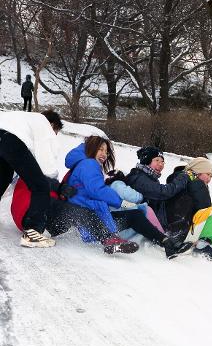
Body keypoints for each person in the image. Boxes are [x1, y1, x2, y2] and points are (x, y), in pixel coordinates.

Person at [65, 136, 192, 258]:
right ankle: (111, 240)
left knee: (135, 215)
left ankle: (166, 243)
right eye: (100, 149)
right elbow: (97, 190)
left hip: (91, 212)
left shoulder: (85, 163)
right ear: (91, 148)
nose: (104, 154)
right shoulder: (89, 164)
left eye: (106, 151)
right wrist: (121, 202)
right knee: (134, 216)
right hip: (86, 213)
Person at [11, 177, 140, 255]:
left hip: (28, 219)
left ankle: (44, 230)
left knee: (72, 216)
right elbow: (40, 180)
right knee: (78, 212)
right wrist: (60, 187)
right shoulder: (33, 168)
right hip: (32, 210)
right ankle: (108, 239)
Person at [0, 109, 62, 247]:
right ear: (52, 125)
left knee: (3, 178)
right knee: (40, 186)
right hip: (12, 141)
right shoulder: (43, 123)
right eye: (55, 132)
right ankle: (32, 232)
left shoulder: (25, 118)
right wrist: (53, 181)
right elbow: (46, 163)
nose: (54, 136)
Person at [125, 146, 190, 234]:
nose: (161, 164)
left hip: (154, 219)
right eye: (157, 160)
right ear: (146, 161)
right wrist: (183, 177)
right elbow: (164, 192)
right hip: (144, 223)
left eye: (162, 162)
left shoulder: (150, 177)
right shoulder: (139, 178)